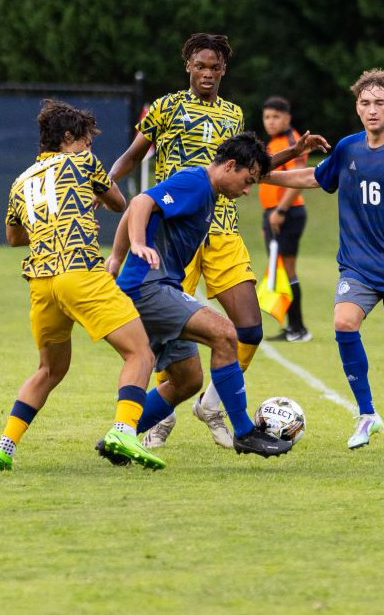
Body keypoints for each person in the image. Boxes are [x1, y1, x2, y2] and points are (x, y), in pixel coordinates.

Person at [106, 34, 326, 448]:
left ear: (224, 71)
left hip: (221, 228)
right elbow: (135, 154)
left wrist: (294, 151)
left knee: (249, 330)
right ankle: (158, 418)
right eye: (201, 65)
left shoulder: (232, 114)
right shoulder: (166, 107)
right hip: (173, 230)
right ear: (188, 65)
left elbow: (247, 167)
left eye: (215, 67)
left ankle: (211, 404)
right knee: (166, 332)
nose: (207, 73)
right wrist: (105, 183)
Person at [262, 69, 384, 452]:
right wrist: (264, 175)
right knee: (343, 321)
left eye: (380, 103)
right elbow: (316, 177)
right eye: (365, 103)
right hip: (359, 265)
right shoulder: (347, 148)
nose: (372, 109)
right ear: (357, 108)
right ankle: (367, 414)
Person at [0, 100, 165, 471]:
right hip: (79, 271)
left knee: (49, 370)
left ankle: (4, 447)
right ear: (69, 138)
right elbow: (119, 204)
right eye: (86, 141)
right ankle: (123, 431)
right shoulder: (83, 163)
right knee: (140, 354)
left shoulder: (20, 181)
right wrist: (90, 201)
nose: (89, 148)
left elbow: (14, 236)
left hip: (42, 283)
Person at [108, 133, 294, 458]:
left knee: (187, 379)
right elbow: (140, 203)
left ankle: (121, 436)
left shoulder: (206, 189)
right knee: (226, 335)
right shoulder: (196, 183)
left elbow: (142, 207)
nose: (247, 190)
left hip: (158, 288)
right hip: (150, 287)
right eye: (247, 181)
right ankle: (245, 433)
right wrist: (135, 246)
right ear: (231, 166)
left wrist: (116, 257)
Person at [259, 96, 311, 342]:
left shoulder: (292, 141)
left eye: (276, 116)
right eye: (267, 117)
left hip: (287, 213)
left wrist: (279, 212)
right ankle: (291, 326)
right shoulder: (275, 142)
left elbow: (297, 181)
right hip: (273, 213)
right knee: (279, 269)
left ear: (287, 118)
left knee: (288, 270)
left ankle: (298, 328)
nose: (271, 121)